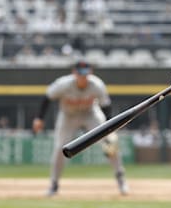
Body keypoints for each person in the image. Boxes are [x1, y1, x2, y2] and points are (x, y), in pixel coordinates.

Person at [32, 60, 128, 196]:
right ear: (74, 73)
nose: (82, 76)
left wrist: (109, 129)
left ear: (90, 73)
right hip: (68, 116)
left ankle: (121, 180)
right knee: (60, 148)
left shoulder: (97, 84)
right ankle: (54, 184)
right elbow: (47, 97)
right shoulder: (63, 84)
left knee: (110, 143)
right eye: (80, 73)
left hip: (90, 114)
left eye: (85, 73)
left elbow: (106, 106)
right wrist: (39, 118)